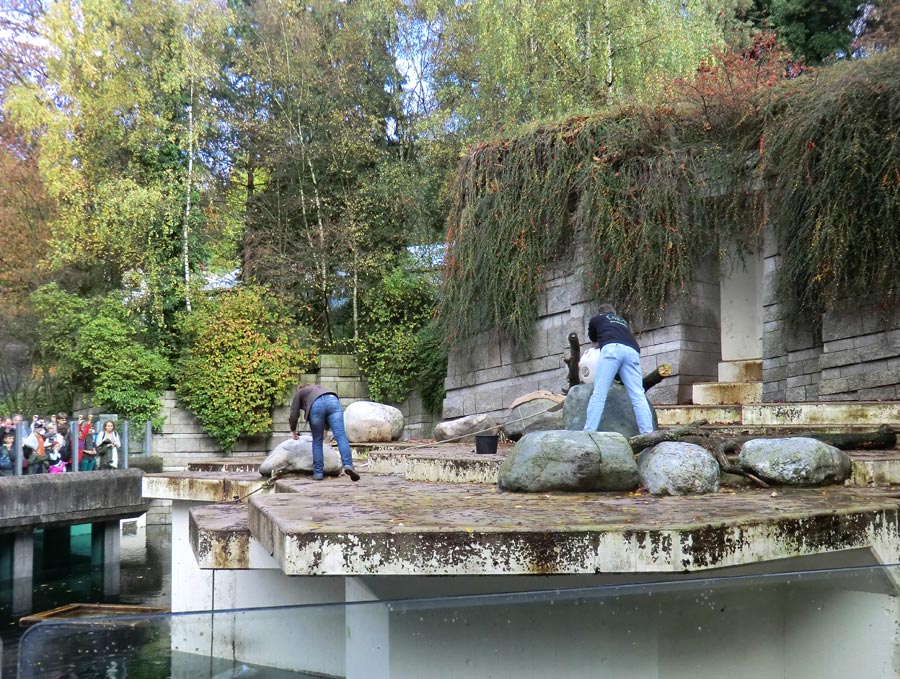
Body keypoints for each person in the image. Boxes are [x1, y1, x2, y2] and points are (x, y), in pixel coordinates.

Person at [582, 304, 654, 435]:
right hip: (632, 351)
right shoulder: (623, 321)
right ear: (614, 313)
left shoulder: (596, 319)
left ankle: (589, 432)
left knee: (599, 393)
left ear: (600, 313)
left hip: (611, 349)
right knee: (638, 395)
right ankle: (648, 433)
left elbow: (595, 342)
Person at [288, 384, 360, 481]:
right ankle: (348, 465)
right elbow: (325, 403)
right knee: (341, 436)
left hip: (316, 406)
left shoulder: (300, 392)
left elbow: (294, 413)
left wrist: (293, 430)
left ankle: (318, 473)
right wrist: (326, 430)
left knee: (317, 441)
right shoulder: (319, 388)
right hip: (333, 399)